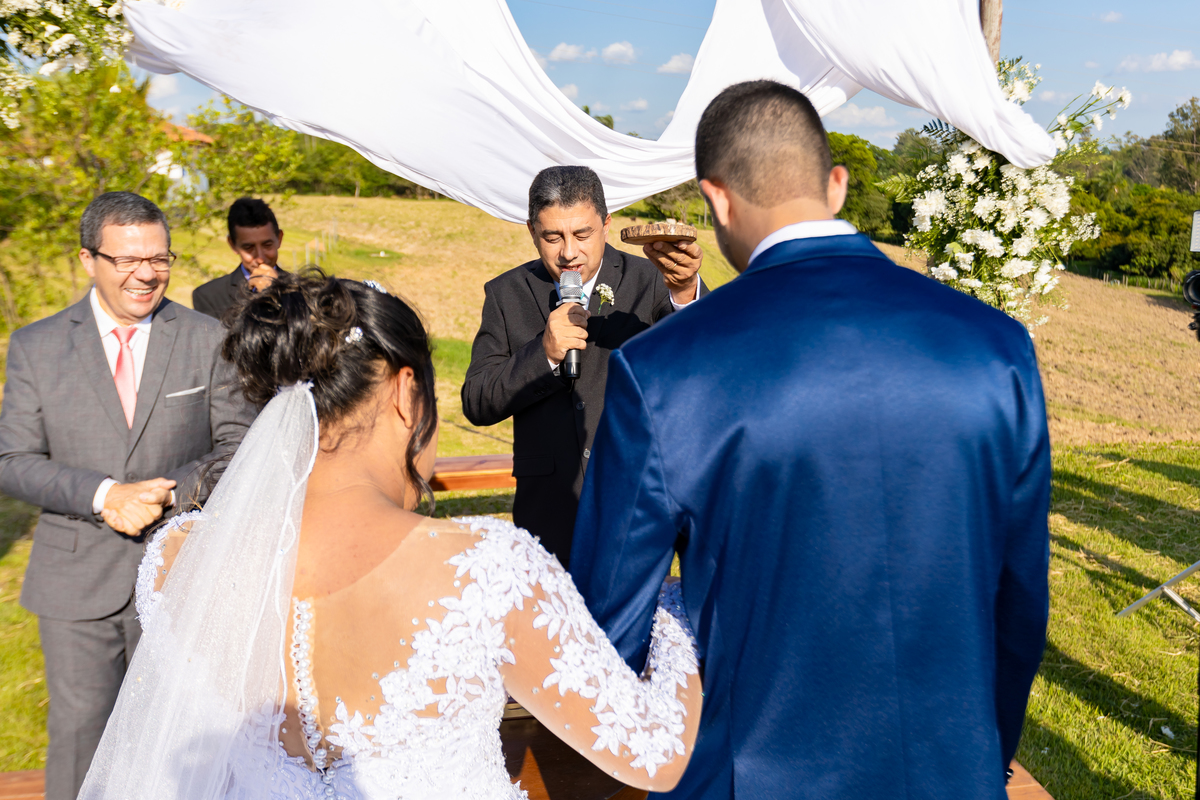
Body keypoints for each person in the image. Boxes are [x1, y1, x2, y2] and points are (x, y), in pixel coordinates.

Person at [569, 80, 1051, 799]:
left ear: (716, 199)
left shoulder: (665, 367)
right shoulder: (998, 347)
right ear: (837, 184)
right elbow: (1020, 603)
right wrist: (982, 756)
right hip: (955, 773)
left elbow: (606, 626)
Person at [78, 270, 701, 800]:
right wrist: (672, 611)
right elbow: (654, 754)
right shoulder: (486, 569)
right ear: (407, 393)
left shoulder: (179, 560)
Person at [0, 191, 255, 800]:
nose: (146, 273)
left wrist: (165, 496)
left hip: (178, 574)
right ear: (88, 259)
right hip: (75, 585)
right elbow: (12, 461)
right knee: (81, 742)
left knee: (175, 745)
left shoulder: (208, 337)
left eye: (159, 258)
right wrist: (105, 495)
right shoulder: (36, 346)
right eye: (128, 260)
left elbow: (240, 443)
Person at [462, 166, 706, 565]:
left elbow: (700, 361)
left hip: (637, 504)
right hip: (547, 511)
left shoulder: (651, 281)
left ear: (606, 225)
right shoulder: (506, 294)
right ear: (531, 231)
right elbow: (477, 400)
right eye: (552, 237)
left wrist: (684, 292)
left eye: (582, 234)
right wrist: (544, 354)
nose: (568, 252)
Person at [192, 196, 286, 319]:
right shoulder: (209, 296)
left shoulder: (304, 291)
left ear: (279, 239)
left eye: (267, 245)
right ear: (233, 245)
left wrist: (278, 294)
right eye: (249, 248)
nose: (260, 258)